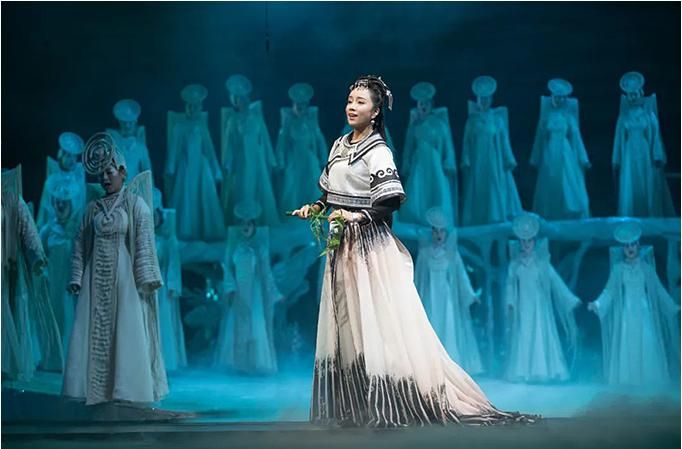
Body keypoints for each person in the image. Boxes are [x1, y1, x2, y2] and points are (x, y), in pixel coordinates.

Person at [292, 75, 535, 427]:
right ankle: (354, 404)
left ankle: (388, 399)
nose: (352, 106)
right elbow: (329, 194)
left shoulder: (378, 150)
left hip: (369, 247)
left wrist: (357, 216)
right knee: (346, 319)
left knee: (376, 320)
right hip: (341, 246)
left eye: (360, 102)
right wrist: (315, 208)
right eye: (350, 100)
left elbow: (390, 201)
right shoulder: (339, 145)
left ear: (376, 112)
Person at [63, 133, 167, 405]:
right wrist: (76, 276)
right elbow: (80, 244)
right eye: (101, 175)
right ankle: (92, 390)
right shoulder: (92, 209)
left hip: (124, 279)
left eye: (110, 172)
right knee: (93, 332)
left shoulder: (135, 204)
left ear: (122, 172)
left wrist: (146, 277)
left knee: (125, 332)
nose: (105, 179)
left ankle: (125, 390)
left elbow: (144, 242)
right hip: (95, 278)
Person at [588, 221, 680, 385]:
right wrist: (598, 304)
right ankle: (629, 380)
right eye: (626, 245)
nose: (630, 248)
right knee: (628, 342)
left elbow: (658, 289)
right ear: (623, 248)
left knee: (647, 341)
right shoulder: (618, 269)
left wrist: (672, 306)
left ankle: (649, 380)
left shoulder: (646, 268)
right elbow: (609, 290)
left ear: (638, 245)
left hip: (643, 311)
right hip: (627, 313)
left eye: (633, 244)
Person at [503, 213, 581, 382]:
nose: (526, 244)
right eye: (523, 241)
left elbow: (555, 282)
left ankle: (543, 371)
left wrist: (570, 299)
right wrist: (510, 302)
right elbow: (510, 284)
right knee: (524, 335)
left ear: (534, 242)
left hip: (539, 307)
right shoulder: (515, 265)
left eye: (529, 241)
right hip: (523, 305)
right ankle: (523, 371)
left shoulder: (541, 263)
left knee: (539, 334)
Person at [2, 166, 63, 379]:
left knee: (8, 309)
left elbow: (29, 231)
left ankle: (7, 363)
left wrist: (37, 257)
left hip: (8, 266)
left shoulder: (13, 200)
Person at [214, 201, 282, 374]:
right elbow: (227, 268)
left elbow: (266, 272)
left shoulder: (259, 248)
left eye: (248, 224)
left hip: (254, 291)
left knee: (255, 324)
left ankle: (254, 362)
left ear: (254, 227)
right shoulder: (234, 246)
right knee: (236, 323)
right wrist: (230, 289)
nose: (245, 227)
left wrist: (273, 292)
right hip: (238, 290)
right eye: (242, 223)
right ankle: (238, 363)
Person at [415, 207, 483, 375]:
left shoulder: (452, 254)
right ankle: (431, 364)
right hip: (430, 296)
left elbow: (461, 276)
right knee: (431, 325)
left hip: (447, 298)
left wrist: (470, 294)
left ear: (446, 233)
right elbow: (419, 278)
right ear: (431, 232)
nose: (438, 235)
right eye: (435, 231)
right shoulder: (424, 254)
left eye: (442, 231)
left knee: (448, 326)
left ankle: (450, 365)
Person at [166, 84, 225, 241]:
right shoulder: (180, 127)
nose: (192, 109)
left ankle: (204, 230)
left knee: (203, 195)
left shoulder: (201, 126)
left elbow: (209, 149)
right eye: (189, 106)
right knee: (186, 196)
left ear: (200, 108)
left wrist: (216, 171)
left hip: (201, 167)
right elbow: (174, 149)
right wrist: (171, 168)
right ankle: (188, 230)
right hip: (185, 166)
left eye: (195, 106)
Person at [460, 76, 522, 226]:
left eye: (486, 98)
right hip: (477, 159)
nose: (484, 101)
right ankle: (478, 218)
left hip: (493, 159)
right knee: (477, 186)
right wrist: (466, 159)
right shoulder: (472, 121)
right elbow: (467, 142)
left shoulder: (497, 119)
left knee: (494, 185)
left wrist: (508, 159)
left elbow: (504, 141)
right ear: (477, 100)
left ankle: (495, 215)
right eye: (481, 99)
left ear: (491, 99)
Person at [612, 71, 675, 217]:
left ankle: (649, 212)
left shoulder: (648, 115)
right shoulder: (624, 116)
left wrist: (657, 155)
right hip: (629, 151)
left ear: (640, 93)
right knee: (631, 180)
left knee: (647, 179)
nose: (633, 97)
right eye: (630, 95)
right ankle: (631, 212)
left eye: (635, 94)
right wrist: (617, 158)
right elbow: (619, 138)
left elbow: (655, 135)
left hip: (644, 149)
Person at [220, 74, 280, 225]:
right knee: (244, 187)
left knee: (258, 186)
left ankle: (259, 219)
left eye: (241, 98)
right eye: (236, 99)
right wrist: (228, 163)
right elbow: (229, 144)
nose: (239, 102)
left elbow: (264, 139)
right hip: (242, 159)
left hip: (256, 158)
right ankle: (244, 220)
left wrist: (271, 160)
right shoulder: (233, 120)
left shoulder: (256, 117)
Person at [530, 79, 591, 220]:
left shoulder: (568, 117)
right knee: (550, 180)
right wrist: (535, 158)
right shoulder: (546, 117)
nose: (559, 100)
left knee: (567, 180)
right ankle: (551, 213)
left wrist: (583, 158)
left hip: (565, 151)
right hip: (550, 151)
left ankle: (568, 212)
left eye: (562, 98)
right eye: (557, 97)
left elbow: (576, 138)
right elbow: (539, 138)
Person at [399, 81, 458, 226]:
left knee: (436, 189)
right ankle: (417, 220)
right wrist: (406, 164)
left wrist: (448, 161)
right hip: (419, 164)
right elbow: (409, 147)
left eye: (426, 104)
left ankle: (437, 221)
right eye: (421, 104)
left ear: (431, 105)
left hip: (435, 163)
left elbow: (447, 144)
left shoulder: (440, 125)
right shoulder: (414, 126)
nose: (423, 107)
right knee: (418, 190)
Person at [275, 82, 328, 214]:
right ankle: (293, 213)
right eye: (297, 104)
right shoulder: (288, 123)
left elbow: (319, 139)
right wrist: (281, 161)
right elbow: (282, 143)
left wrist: (324, 158)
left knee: (312, 182)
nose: (300, 107)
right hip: (294, 158)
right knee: (292, 184)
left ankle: (313, 211)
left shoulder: (311, 122)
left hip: (309, 158)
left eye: (303, 104)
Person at [152, 188, 186, 372]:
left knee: (163, 320)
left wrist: (173, 285)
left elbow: (173, 264)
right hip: (144, 287)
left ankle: (164, 360)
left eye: (155, 216)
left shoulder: (167, 240)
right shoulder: (141, 240)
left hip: (162, 287)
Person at [36, 132, 86, 229]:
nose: (72, 160)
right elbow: (45, 207)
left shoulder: (78, 177)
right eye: (68, 155)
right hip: (53, 223)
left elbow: (80, 206)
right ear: (61, 154)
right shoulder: (52, 179)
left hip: (72, 225)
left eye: (74, 156)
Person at [107, 99, 152, 180]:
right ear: (119, 122)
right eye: (124, 122)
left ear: (135, 121)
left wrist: (149, 186)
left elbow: (147, 171)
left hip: (135, 185)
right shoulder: (111, 144)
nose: (127, 126)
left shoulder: (140, 147)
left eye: (130, 122)